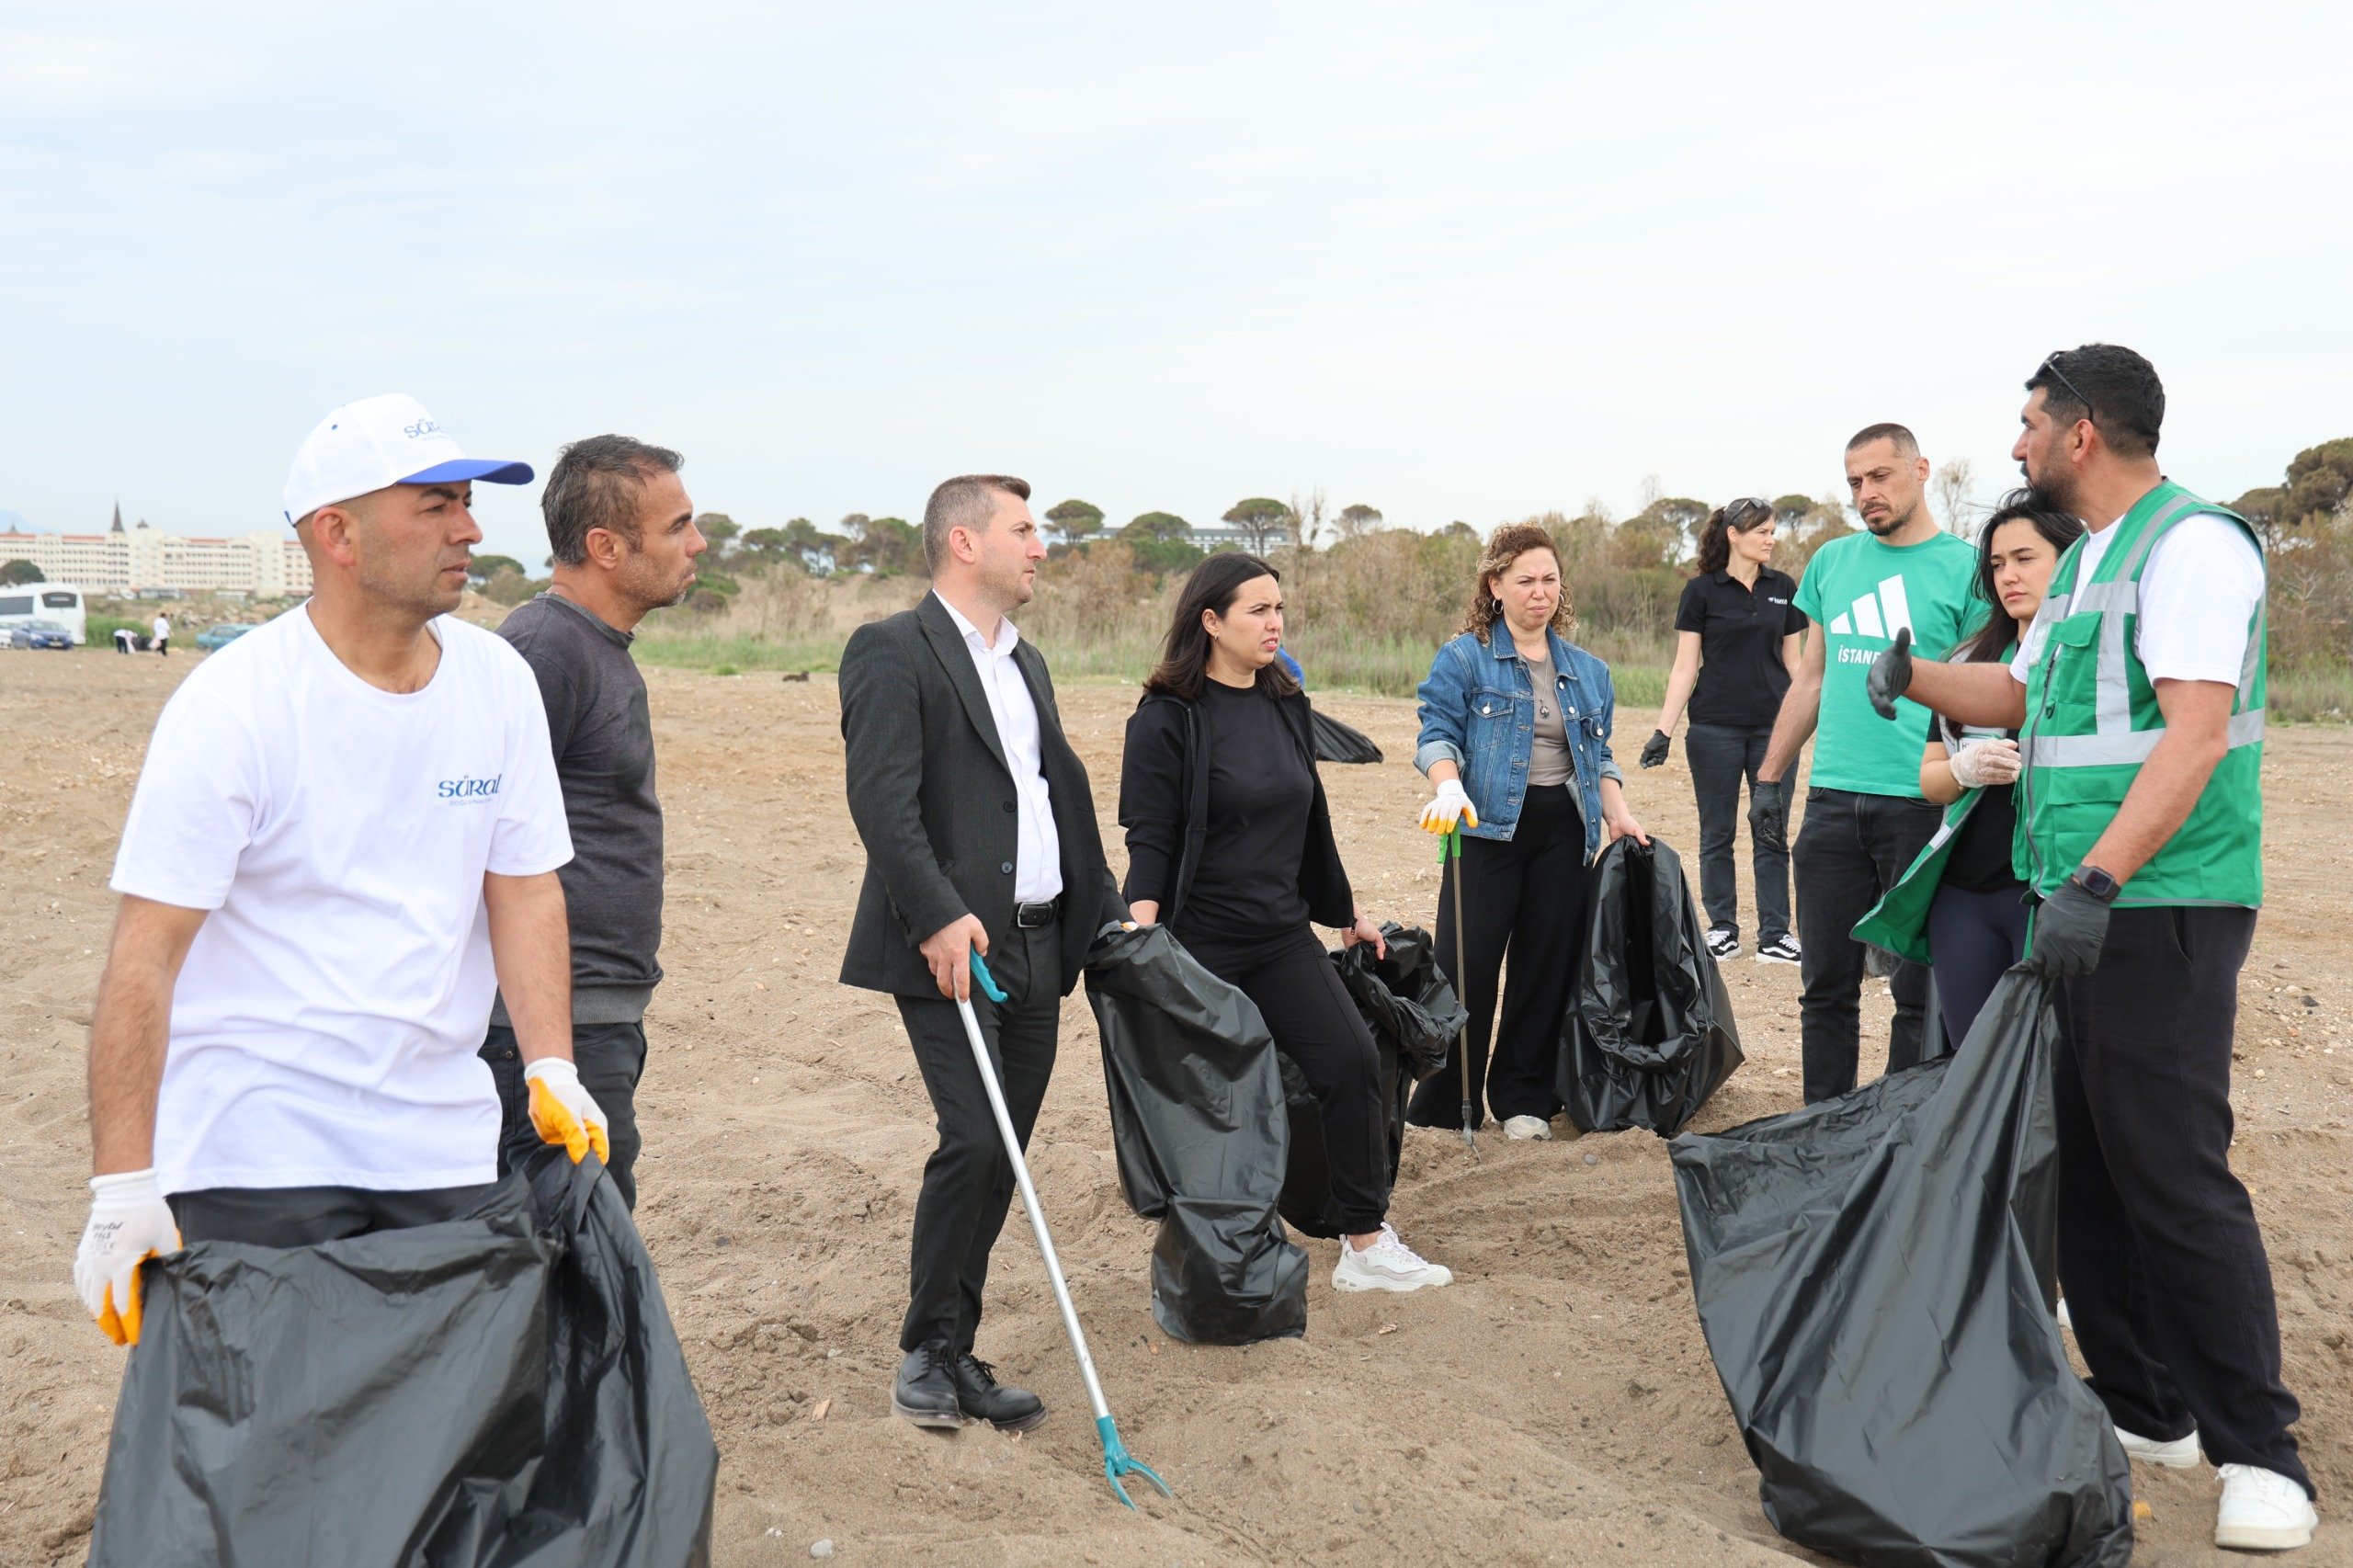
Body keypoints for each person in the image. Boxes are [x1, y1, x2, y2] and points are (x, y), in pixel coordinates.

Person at [1870, 346, 2315, 1551]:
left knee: (2171, 1168)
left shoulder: (2191, 548)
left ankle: (2261, 1452)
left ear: (2079, 434)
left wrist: (2101, 878)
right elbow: (2019, 698)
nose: (2013, 447)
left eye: (2026, 426)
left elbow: (2195, 734)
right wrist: (1917, 677)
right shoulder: (2087, 570)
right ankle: (2146, 1406)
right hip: (2078, 903)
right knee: (2093, 1166)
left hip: (2160, 903)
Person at [72, 392, 606, 1353]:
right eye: (436, 505)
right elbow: (145, 953)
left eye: (466, 502)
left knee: (439, 1447)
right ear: (338, 533)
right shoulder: (235, 705)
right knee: (270, 1447)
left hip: (437, 1134)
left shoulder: (496, 682)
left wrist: (550, 1061)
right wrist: (122, 1182)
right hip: (257, 1147)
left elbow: (523, 885)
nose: (471, 527)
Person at [837, 473, 1125, 1436]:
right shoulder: (890, 650)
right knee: (971, 1136)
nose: (1040, 545)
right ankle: (924, 1349)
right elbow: (883, 799)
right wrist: (934, 913)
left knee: (1001, 1149)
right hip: (952, 947)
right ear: (964, 541)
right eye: (1025, 528)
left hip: (1042, 944)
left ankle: (957, 1350)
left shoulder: (1024, 661)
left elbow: (1054, 797)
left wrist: (1108, 913)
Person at [1120, 552, 1452, 1290]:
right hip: (1199, 944)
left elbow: (1310, 822)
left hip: (1278, 936)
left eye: (1279, 610)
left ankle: (1364, 1245)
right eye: (1257, 612)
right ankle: (1225, 1252)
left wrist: (1344, 915)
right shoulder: (1166, 720)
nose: (1275, 624)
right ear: (1210, 622)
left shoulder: (1285, 704)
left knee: (1351, 1062)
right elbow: (1151, 835)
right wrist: (1140, 926)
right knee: (1223, 1103)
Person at [477, 436, 706, 1211]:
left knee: (586, 1252)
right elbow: (479, 836)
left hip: (596, 1015)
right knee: (563, 1258)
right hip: (545, 1029)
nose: (696, 543)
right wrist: (542, 1046)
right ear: (605, 546)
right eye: (677, 526)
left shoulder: (595, 646)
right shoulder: (545, 648)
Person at [1749, 425, 1981, 1103]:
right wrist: (1769, 778)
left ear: (1921, 470)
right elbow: (1812, 679)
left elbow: (1977, 689)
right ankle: (1824, 1126)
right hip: (1830, 804)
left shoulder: (1967, 569)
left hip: (1921, 801)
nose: (1866, 494)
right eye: (1854, 482)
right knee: (1824, 988)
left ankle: (1897, 1134)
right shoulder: (1832, 563)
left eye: (1880, 476)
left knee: (1916, 992)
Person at [1407, 521, 1648, 1140]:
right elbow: (1436, 730)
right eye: (1524, 581)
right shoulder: (1465, 656)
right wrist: (1448, 785)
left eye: (1549, 580)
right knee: (1467, 969)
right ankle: (1443, 1105)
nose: (1538, 592)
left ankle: (1522, 1098)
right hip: (1483, 829)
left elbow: (1600, 755)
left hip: (1562, 834)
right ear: (1495, 585)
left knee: (1545, 969)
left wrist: (1616, 811)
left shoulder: (1590, 671)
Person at [1851, 492, 2082, 1048]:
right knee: (1971, 1054)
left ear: (2070, 562)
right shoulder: (1964, 664)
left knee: (2046, 1054)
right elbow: (1930, 782)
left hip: (2045, 890)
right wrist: (1965, 767)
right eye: (1997, 564)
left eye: (2026, 559)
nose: (2009, 576)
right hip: (1965, 892)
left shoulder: (2088, 663)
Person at [1641, 497, 1804, 964]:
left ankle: (1775, 934)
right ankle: (1722, 929)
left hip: (1775, 732)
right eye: (1763, 532)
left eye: (1773, 532)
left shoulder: (1784, 588)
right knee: (1717, 833)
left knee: (1771, 830)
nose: (1771, 540)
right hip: (1713, 729)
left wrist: (1814, 720)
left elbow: (1796, 665)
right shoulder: (1701, 592)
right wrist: (1663, 731)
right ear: (1734, 534)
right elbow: (1684, 666)